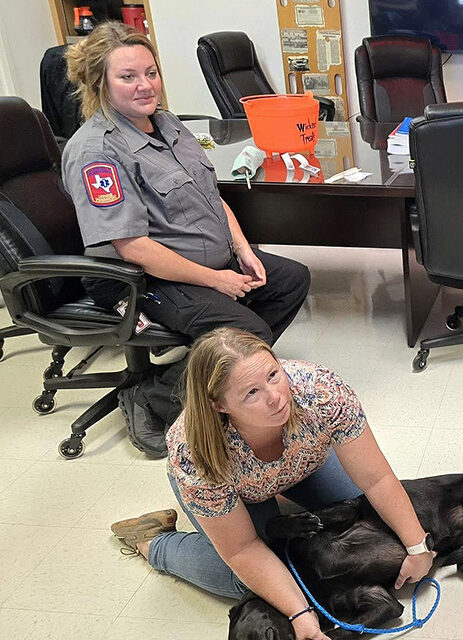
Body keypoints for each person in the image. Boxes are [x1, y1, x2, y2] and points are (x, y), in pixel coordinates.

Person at [62, 22, 310, 456]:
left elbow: (211, 195)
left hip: (203, 261)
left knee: (290, 280)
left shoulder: (167, 122)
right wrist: (217, 280)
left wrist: (243, 250)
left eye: (151, 72)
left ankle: (222, 374)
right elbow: (132, 247)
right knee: (246, 329)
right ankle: (153, 397)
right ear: (100, 83)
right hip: (141, 277)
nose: (145, 85)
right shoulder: (96, 151)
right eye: (128, 77)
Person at [110, 327, 434, 640]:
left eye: (273, 375)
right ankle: (155, 544)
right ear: (219, 404)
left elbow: (377, 479)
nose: (276, 397)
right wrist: (299, 613)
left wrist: (418, 547)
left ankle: (277, 504)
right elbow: (242, 549)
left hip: (303, 466)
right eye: (252, 393)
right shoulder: (193, 453)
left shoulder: (321, 390)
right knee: (254, 578)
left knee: (366, 519)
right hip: (241, 493)